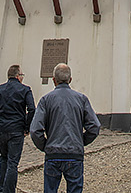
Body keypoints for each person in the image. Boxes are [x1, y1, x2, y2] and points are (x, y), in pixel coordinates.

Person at [29, 63, 100, 193]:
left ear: (53, 80)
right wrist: (81, 141)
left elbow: (35, 130)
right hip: (74, 154)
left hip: (53, 154)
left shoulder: (45, 100)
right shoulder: (81, 99)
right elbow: (94, 126)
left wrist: (45, 146)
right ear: (70, 79)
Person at [0, 64, 36, 193]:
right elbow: (32, 109)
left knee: (3, 158)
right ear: (18, 76)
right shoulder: (25, 90)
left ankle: (2, 188)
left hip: (2, 128)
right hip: (17, 129)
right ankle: (9, 190)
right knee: (13, 162)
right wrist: (27, 127)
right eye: (22, 75)